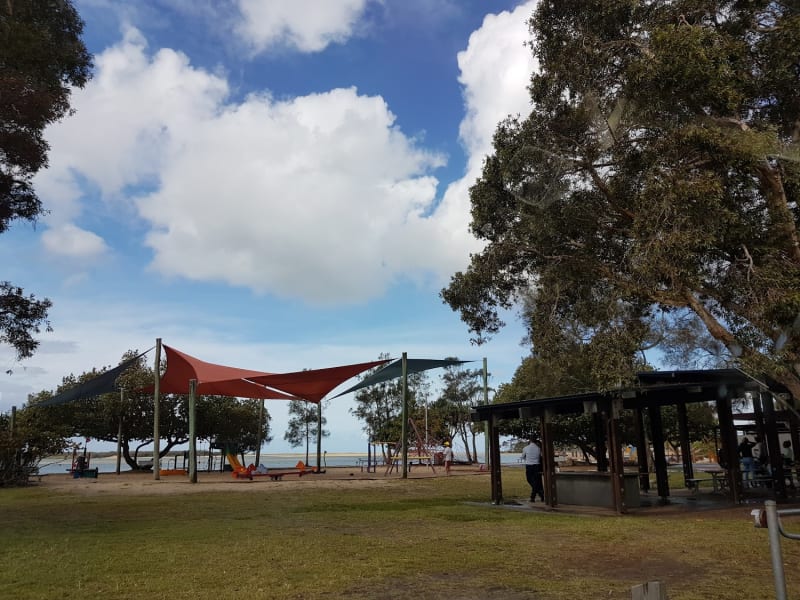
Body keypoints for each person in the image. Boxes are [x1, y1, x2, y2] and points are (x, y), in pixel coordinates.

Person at [521, 437, 544, 502]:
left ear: (530, 441)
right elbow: (540, 457)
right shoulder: (538, 448)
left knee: (529, 479)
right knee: (537, 481)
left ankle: (538, 493)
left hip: (529, 466)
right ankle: (538, 493)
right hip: (537, 466)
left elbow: (522, 457)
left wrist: (527, 458)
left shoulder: (525, 448)